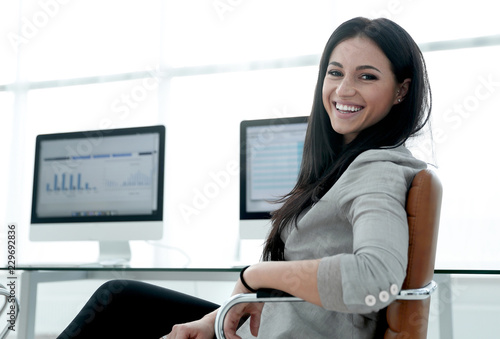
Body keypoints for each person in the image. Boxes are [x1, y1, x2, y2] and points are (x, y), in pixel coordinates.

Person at [58, 16, 432, 339]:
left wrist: (256, 275)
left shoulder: (377, 169)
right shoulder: (345, 165)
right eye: (335, 73)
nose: (344, 89)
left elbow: (375, 278)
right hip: (272, 326)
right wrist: (214, 320)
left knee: (119, 302)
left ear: (401, 90)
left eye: (366, 76)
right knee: (123, 301)